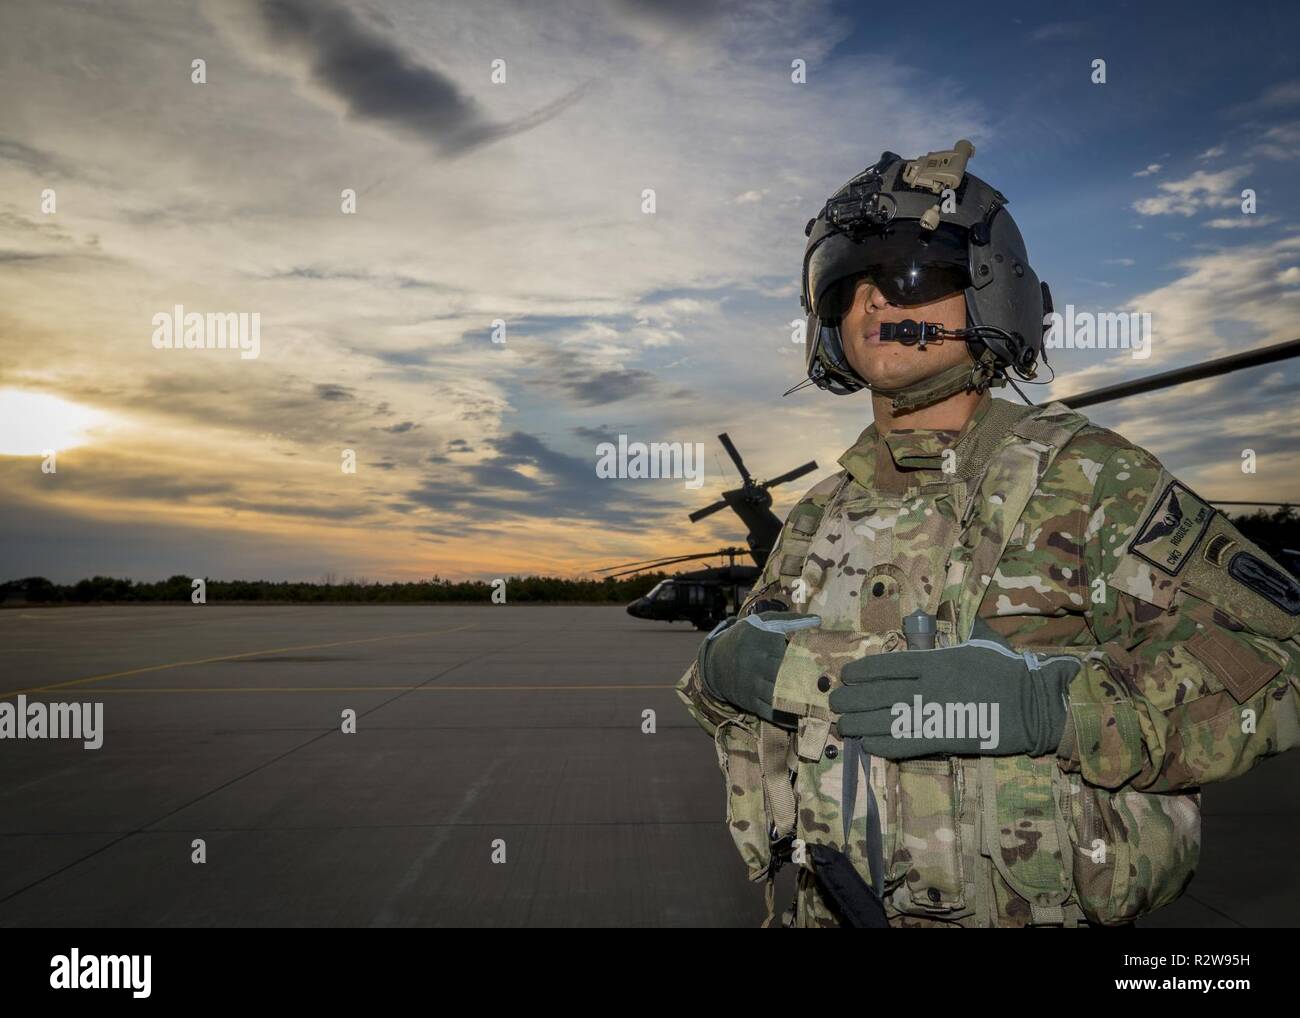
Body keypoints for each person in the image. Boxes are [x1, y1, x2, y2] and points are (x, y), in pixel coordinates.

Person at [675, 142, 1300, 928]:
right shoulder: (821, 511)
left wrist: (1055, 709)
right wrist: (721, 666)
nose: (873, 302)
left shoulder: (1091, 481)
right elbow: (755, 676)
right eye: (845, 281)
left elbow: (1280, 670)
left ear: (988, 291)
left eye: (909, 273)